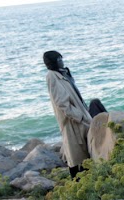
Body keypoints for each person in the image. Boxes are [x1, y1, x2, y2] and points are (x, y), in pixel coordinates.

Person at [43, 50, 92, 179]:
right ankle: (78, 185)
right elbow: (62, 103)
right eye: (59, 59)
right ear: (53, 62)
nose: (62, 61)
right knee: (75, 155)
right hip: (72, 121)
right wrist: (79, 117)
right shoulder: (52, 76)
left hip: (78, 118)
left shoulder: (62, 73)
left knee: (83, 152)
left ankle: (85, 183)